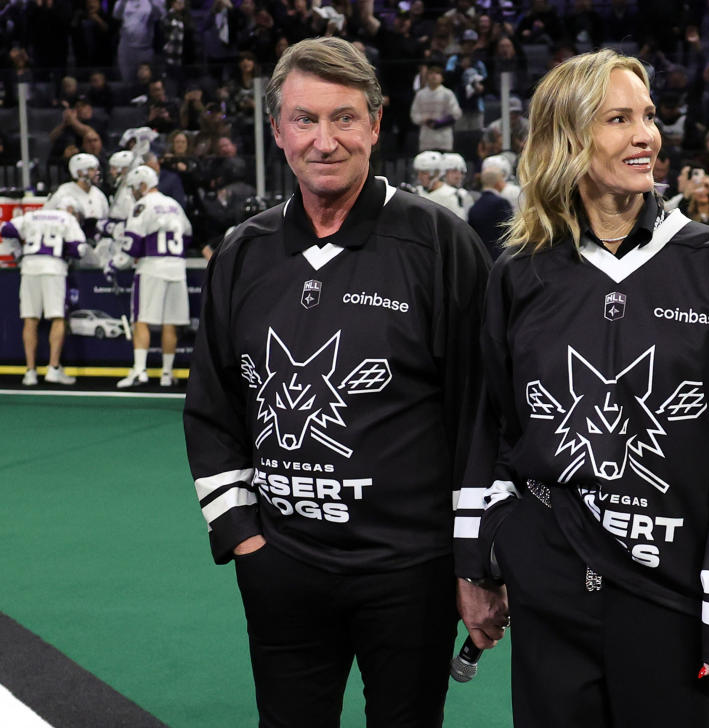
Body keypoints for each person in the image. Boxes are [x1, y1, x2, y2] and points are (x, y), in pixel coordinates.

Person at [456, 49, 709, 728]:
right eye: (617, 119)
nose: (646, 135)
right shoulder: (519, 272)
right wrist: (480, 559)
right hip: (547, 588)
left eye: (647, 116)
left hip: (669, 593)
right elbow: (491, 425)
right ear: (567, 140)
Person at [181, 37, 504, 728]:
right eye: (304, 119)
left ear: (377, 123)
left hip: (410, 572)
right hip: (281, 566)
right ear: (276, 130)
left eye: (344, 118)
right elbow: (212, 410)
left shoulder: (440, 244)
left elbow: (483, 413)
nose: (324, 141)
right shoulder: (243, 252)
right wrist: (244, 537)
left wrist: (474, 561)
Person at [110, 165, 192, 388]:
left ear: (143, 185)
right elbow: (187, 234)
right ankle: (166, 374)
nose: (133, 192)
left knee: (141, 320)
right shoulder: (174, 205)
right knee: (170, 323)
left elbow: (132, 242)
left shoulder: (143, 204)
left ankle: (140, 371)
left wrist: (116, 264)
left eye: (135, 188)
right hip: (176, 267)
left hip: (152, 268)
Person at [3, 196, 89, 386]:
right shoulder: (68, 219)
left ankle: (30, 372)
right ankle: (53, 368)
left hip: (29, 267)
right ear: (70, 209)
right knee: (57, 318)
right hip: (53, 268)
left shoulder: (33, 215)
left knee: (30, 318)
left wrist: (17, 251)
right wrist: (67, 250)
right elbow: (79, 249)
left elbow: (6, 229)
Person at [410, 62, 462, 152]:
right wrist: (424, 119)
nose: (434, 76)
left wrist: (440, 122)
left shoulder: (447, 94)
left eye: (437, 73)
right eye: (431, 73)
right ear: (427, 77)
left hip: (444, 140)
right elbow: (414, 115)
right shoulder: (420, 94)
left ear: (442, 78)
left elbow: (456, 114)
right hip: (426, 140)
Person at [467, 163, 513, 258]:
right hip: (500, 257)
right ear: (498, 183)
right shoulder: (501, 203)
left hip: (481, 256)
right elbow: (510, 231)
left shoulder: (474, 207)